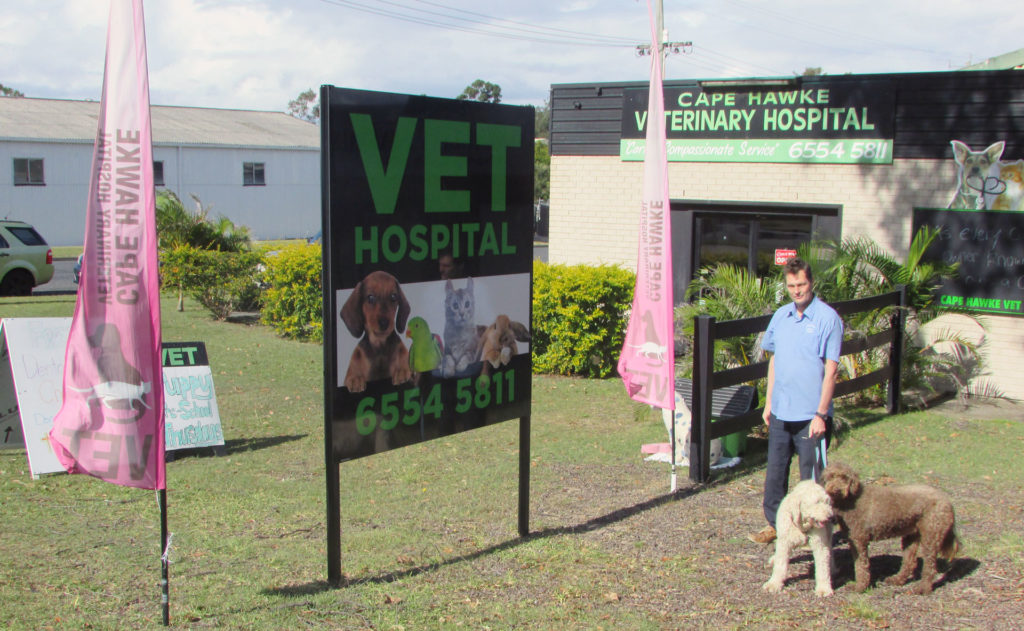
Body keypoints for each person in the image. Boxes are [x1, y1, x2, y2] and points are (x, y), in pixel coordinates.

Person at [749, 257, 843, 545]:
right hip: (781, 411)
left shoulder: (828, 319)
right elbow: (774, 361)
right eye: (791, 285)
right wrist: (768, 403)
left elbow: (832, 370)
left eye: (801, 284)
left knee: (811, 480)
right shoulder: (781, 316)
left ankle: (817, 532)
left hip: (810, 416)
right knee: (775, 474)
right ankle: (778, 525)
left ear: (811, 282)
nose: (796, 290)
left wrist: (821, 413)